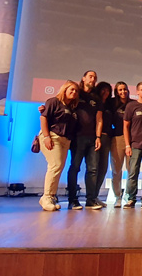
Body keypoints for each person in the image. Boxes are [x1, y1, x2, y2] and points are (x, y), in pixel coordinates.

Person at [38, 80, 79, 211]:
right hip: (52, 136)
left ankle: (51, 197)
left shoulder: (72, 107)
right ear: (64, 90)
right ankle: (46, 197)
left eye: (76, 91)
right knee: (55, 165)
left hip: (65, 140)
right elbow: (43, 118)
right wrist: (46, 137)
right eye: (71, 89)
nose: (74, 92)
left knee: (59, 167)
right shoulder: (53, 101)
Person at [67, 71, 103, 210]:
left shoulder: (96, 98)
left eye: (95, 77)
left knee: (93, 169)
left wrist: (98, 137)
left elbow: (99, 119)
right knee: (75, 167)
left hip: (93, 138)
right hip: (77, 137)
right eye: (90, 76)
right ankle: (72, 199)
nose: (93, 79)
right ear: (83, 78)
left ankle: (90, 200)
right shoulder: (77, 93)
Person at [123, 82, 142, 208]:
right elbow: (126, 126)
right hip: (135, 145)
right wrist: (127, 145)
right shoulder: (131, 106)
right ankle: (131, 198)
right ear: (137, 92)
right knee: (133, 173)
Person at [109, 81, 130, 208]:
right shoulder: (111, 103)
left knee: (131, 170)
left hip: (131, 140)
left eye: (125, 89)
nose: (123, 92)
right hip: (116, 139)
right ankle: (117, 197)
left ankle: (128, 196)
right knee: (116, 170)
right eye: (120, 90)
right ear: (116, 92)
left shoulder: (133, 103)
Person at [94, 81, 114, 208]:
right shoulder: (94, 102)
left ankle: (95, 196)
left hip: (107, 137)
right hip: (94, 138)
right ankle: (90, 197)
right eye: (103, 90)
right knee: (93, 168)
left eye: (108, 91)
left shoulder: (110, 104)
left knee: (103, 168)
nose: (105, 93)